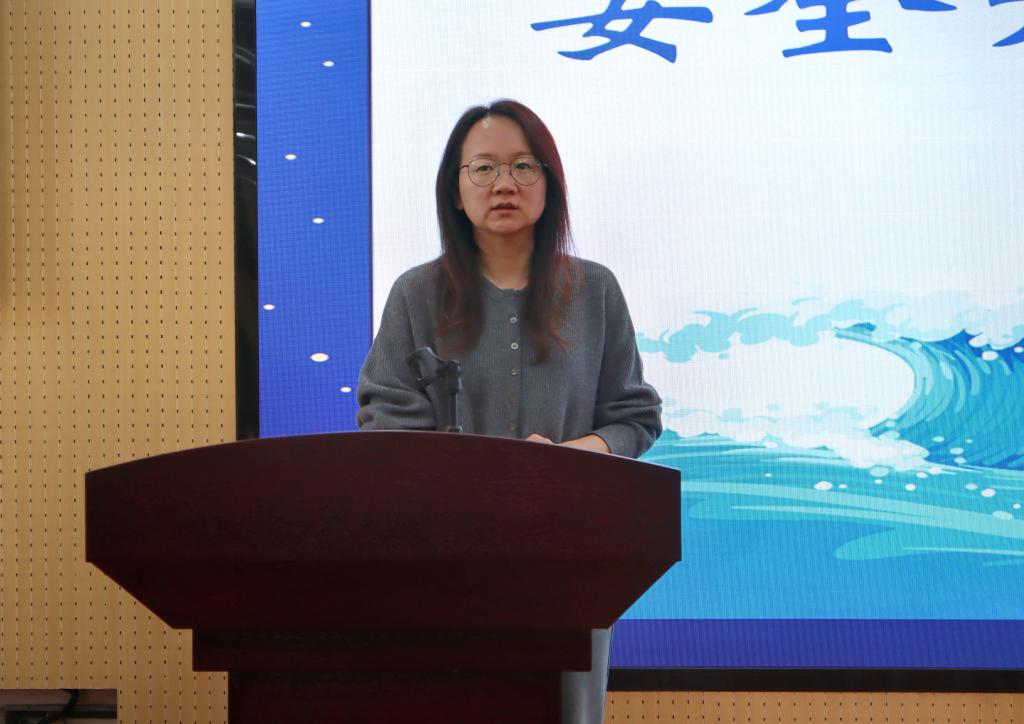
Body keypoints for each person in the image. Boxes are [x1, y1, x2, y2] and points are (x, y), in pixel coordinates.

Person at [356, 99, 662, 724]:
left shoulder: (595, 290)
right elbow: (384, 422)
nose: (504, 184)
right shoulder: (416, 294)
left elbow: (635, 416)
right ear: (455, 189)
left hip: (568, 560)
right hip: (444, 559)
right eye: (484, 168)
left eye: (524, 166)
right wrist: (479, 474)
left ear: (550, 184)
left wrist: (564, 462)